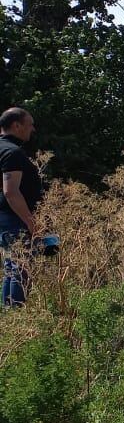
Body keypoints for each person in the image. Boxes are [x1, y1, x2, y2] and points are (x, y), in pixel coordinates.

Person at [0, 108, 42, 307]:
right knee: (20, 267)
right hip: (15, 218)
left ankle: (10, 315)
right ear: (16, 125)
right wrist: (30, 221)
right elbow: (11, 191)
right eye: (29, 124)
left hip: (6, 217)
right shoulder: (12, 152)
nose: (32, 129)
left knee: (12, 268)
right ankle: (17, 313)